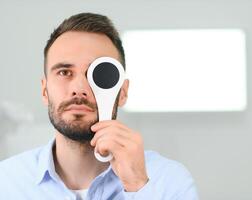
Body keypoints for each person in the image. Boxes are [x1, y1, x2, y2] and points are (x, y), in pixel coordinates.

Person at [0, 12, 199, 200]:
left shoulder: (170, 181)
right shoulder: (6, 183)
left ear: (122, 92)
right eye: (64, 72)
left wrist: (139, 186)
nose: (79, 89)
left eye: (98, 73)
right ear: (45, 91)